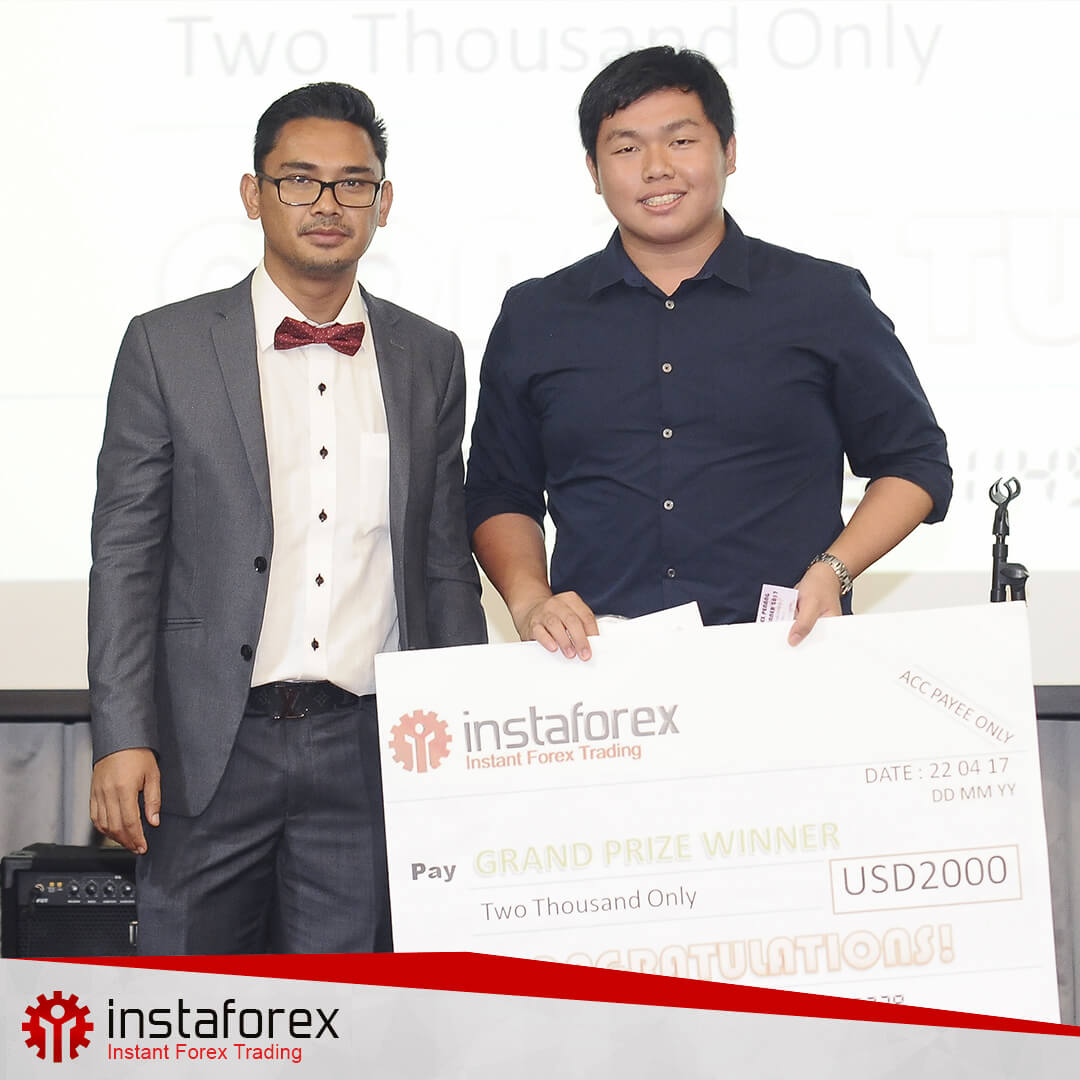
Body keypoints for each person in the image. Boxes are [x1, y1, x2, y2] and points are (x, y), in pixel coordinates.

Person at [88, 82, 486, 954]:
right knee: (188, 1006)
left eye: (353, 183)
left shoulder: (430, 355)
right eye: (300, 180)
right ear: (253, 193)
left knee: (345, 1012)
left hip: (367, 748)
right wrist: (121, 735)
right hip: (203, 748)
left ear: (384, 201)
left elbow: (441, 563)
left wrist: (467, 728)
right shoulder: (166, 345)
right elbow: (124, 556)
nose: (327, 204)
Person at [465, 46, 951, 660]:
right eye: (626, 148)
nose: (656, 168)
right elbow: (499, 491)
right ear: (593, 170)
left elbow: (914, 462)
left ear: (729, 152)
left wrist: (835, 569)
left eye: (681, 141)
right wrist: (531, 599)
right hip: (600, 674)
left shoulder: (823, 298)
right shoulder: (536, 315)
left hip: (785, 659)